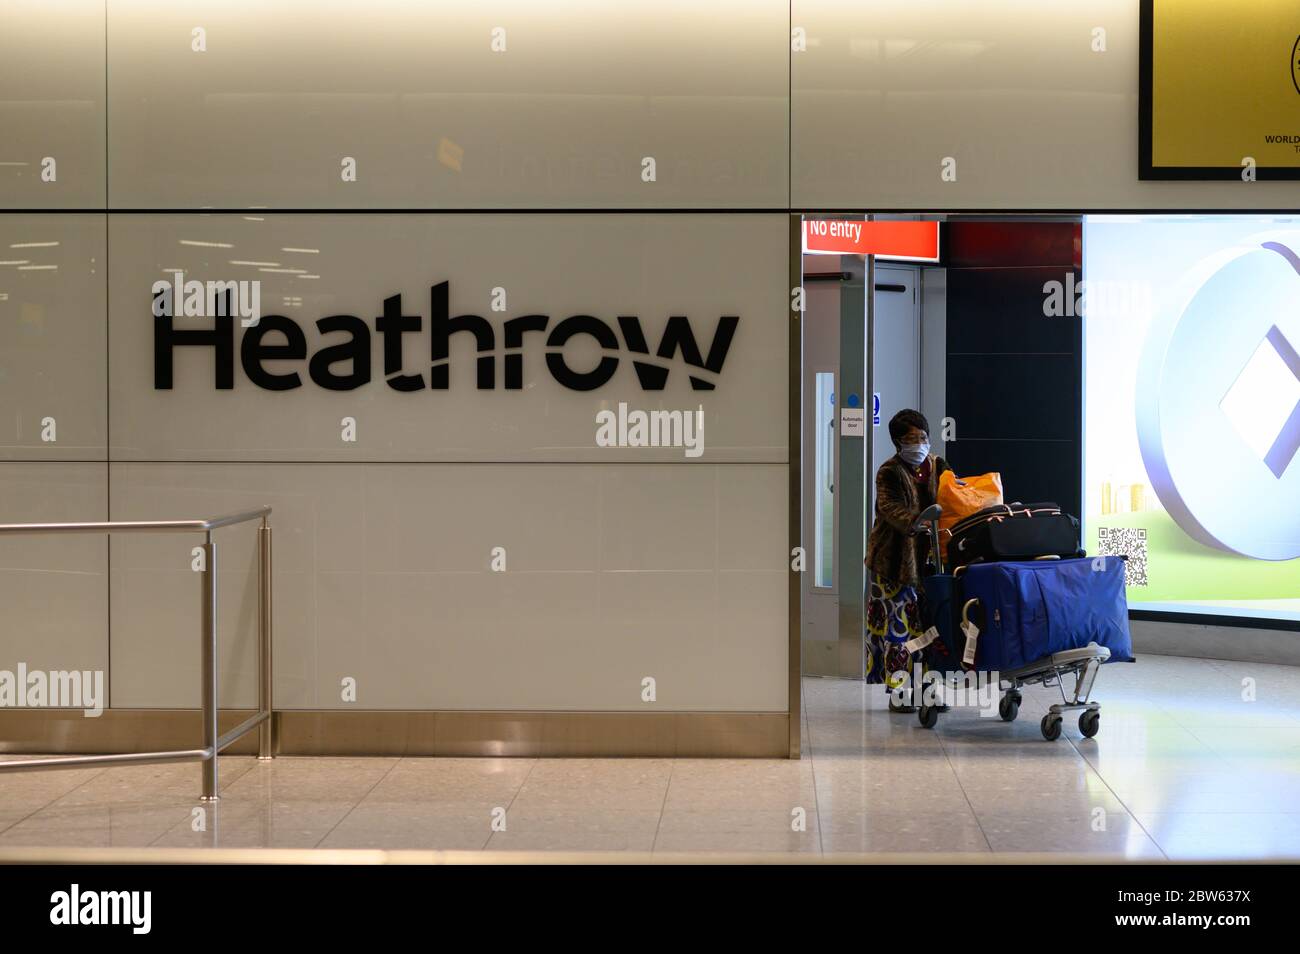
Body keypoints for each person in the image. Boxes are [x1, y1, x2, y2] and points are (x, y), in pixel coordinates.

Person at [864, 409, 949, 710]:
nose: (920, 444)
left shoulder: (938, 465)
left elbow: (954, 495)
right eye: (912, 439)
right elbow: (890, 508)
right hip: (893, 562)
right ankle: (900, 693)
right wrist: (918, 521)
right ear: (898, 442)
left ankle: (929, 690)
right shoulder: (889, 471)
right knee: (898, 630)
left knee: (930, 628)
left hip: (931, 560)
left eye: (924, 437)